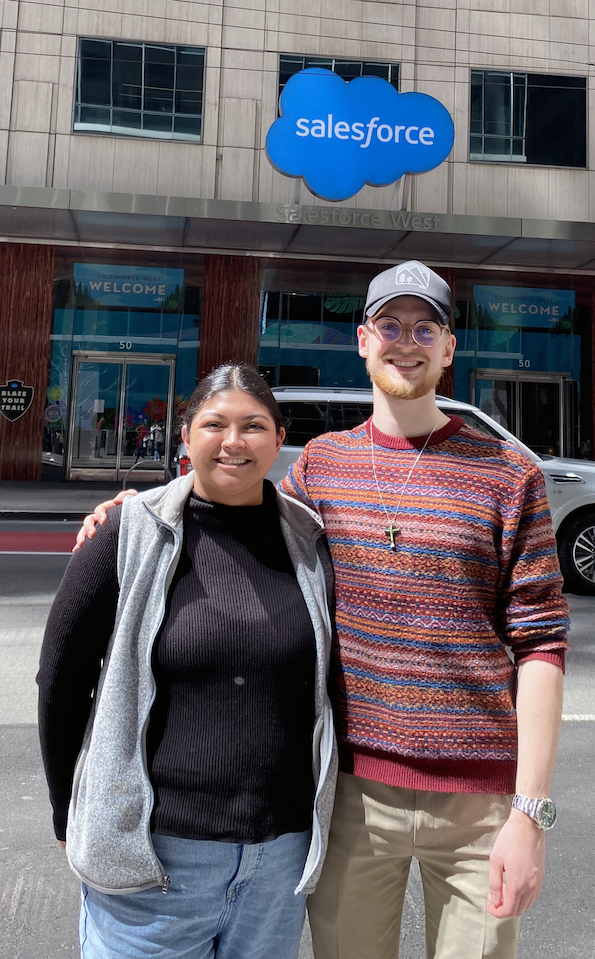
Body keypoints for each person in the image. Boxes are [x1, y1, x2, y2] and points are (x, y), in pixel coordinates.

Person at [76, 261, 570, 959]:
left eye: (425, 326)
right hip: (351, 799)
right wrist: (136, 510)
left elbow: (542, 647)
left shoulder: (508, 475)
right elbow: (227, 506)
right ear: (362, 341)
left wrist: (530, 813)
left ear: (449, 347)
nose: (408, 341)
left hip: (480, 810)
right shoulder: (319, 471)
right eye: (390, 326)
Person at [37, 363, 338, 959]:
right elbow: (61, 679)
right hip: (157, 861)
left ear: (280, 438)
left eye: (253, 426)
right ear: (185, 434)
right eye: (214, 424)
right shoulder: (128, 532)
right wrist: (67, 812)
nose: (233, 442)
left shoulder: (310, 540)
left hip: (278, 864)